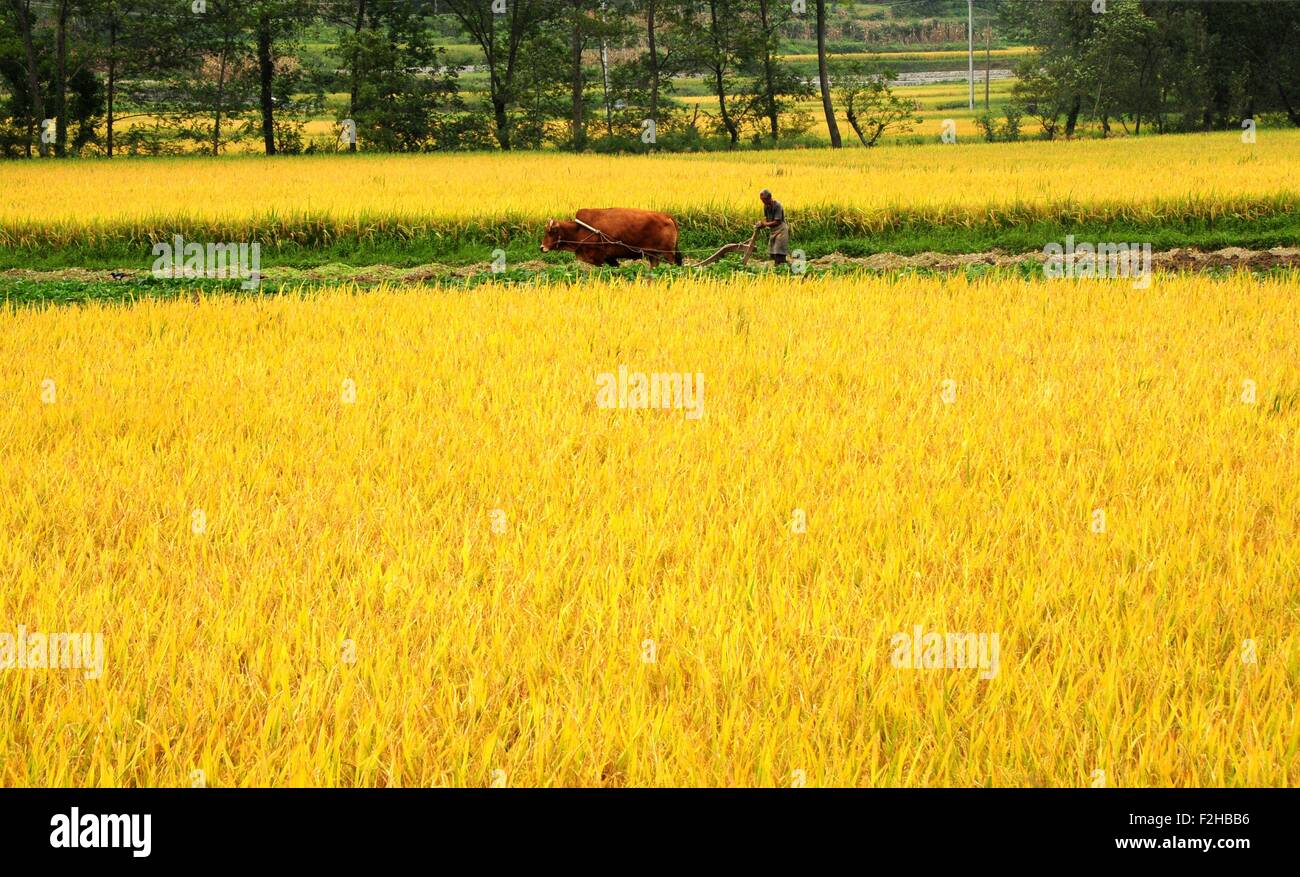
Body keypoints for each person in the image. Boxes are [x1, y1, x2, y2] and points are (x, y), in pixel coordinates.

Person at [755, 189, 789, 268]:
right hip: (773, 231)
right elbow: (767, 220)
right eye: (761, 200)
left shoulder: (777, 205)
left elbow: (777, 221)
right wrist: (761, 224)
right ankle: (778, 267)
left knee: (779, 251)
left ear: (769, 198)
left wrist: (765, 224)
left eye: (764, 200)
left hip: (781, 230)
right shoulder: (766, 206)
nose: (763, 202)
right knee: (773, 251)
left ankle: (782, 268)